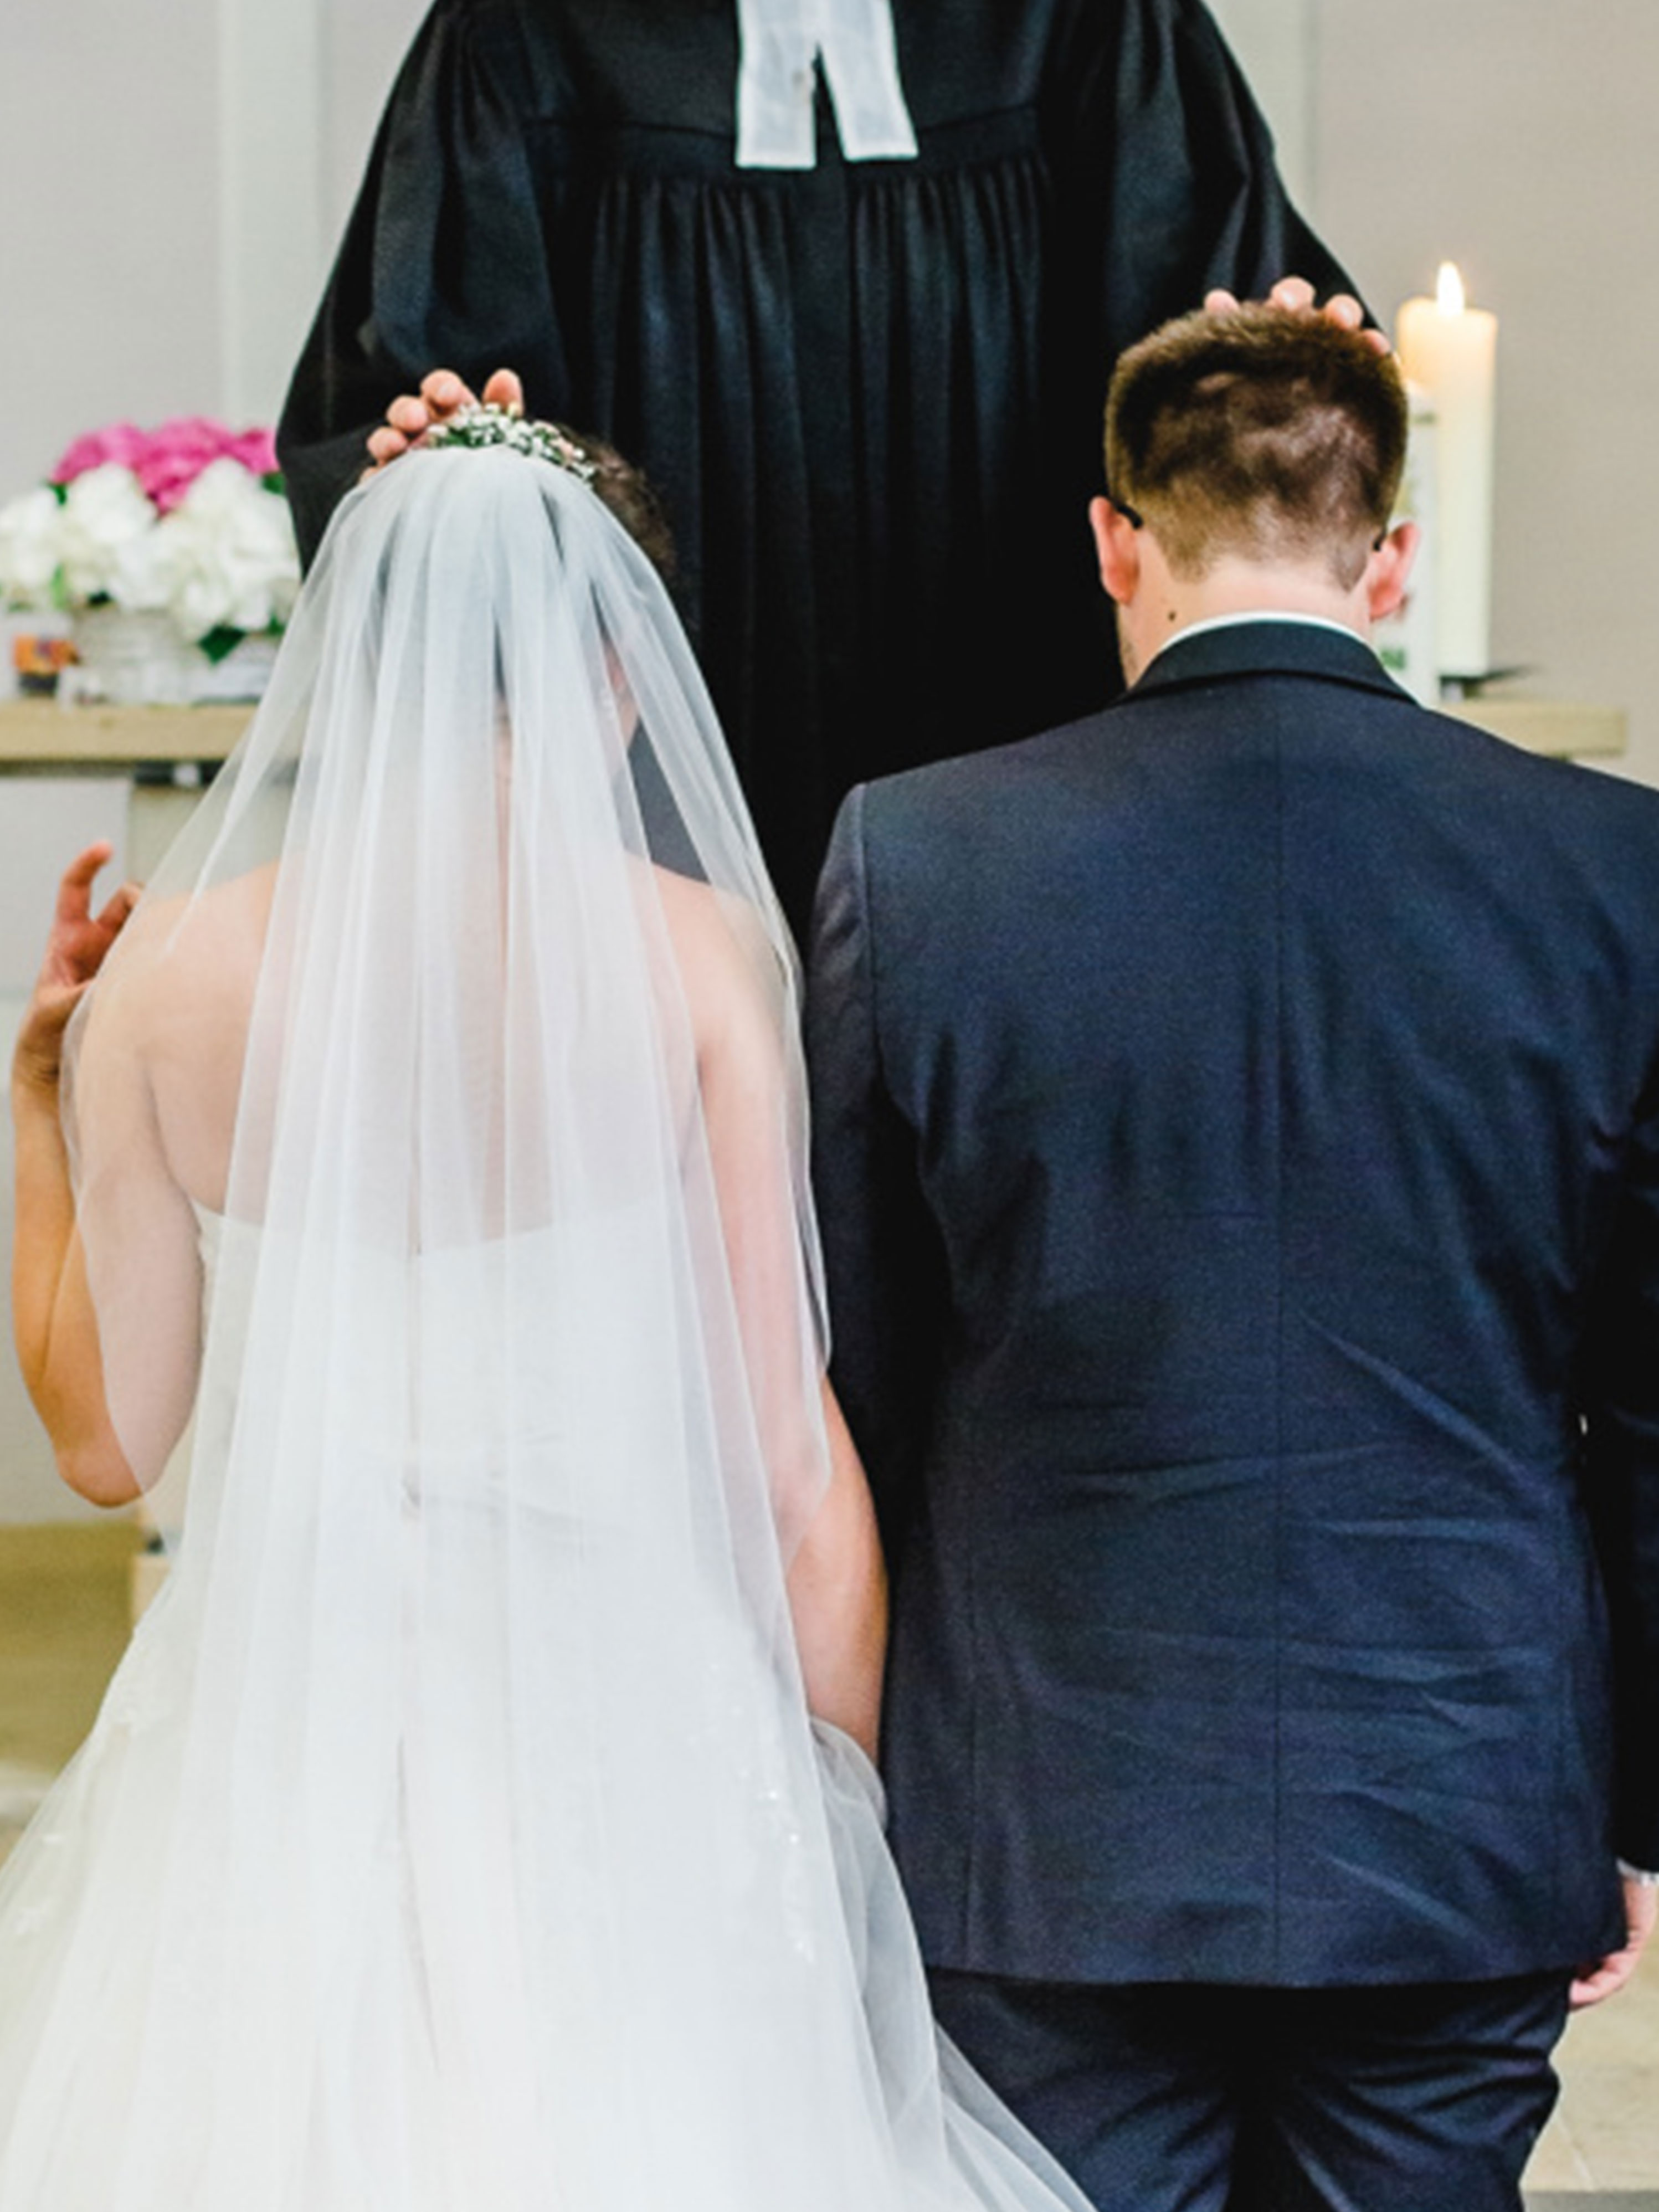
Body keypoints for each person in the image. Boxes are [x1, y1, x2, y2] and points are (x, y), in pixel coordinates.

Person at [0, 420, 1097, 2212]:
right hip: (622, 1740)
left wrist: (36, 1100)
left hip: (277, 1750)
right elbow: (782, 1458)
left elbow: (107, 1441)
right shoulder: (695, 962)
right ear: (618, 677)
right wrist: (836, 1814)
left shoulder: (161, 984)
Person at [805, 303, 1659, 2212]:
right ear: (1392, 557)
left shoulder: (918, 856)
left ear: (1113, 542)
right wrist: (1631, 1806)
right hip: (1453, 1798)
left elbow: (852, 1370)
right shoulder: (1614, 870)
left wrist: (870, 1775)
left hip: (1043, 1810)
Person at [276, 0, 1364, 922]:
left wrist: (1284, 383)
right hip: (656, 770)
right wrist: (434, 465)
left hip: (1025, 724)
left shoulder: (1092, 22)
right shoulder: (521, 32)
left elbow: (1224, 382)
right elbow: (412, 407)